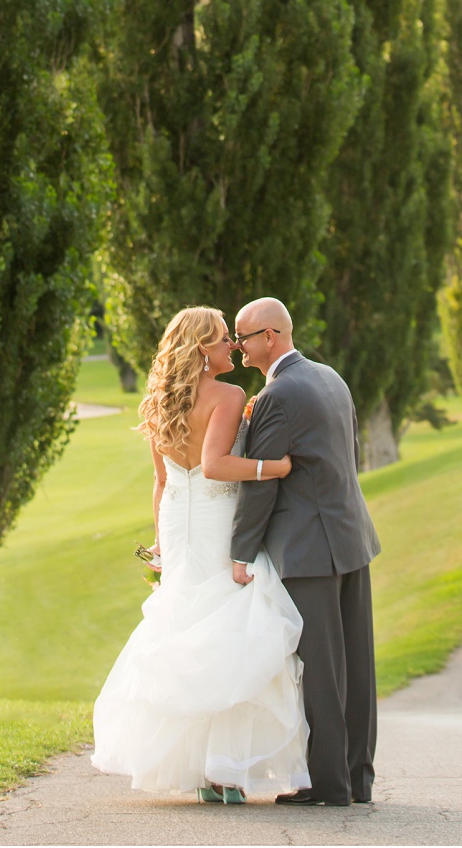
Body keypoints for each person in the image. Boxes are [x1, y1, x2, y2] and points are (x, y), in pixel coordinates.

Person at [91, 306, 310, 803]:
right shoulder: (230, 395)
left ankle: (198, 772)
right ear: (201, 351)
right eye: (220, 340)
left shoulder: (160, 401)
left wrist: (162, 543)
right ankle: (225, 771)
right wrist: (275, 468)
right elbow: (216, 466)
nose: (231, 346)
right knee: (228, 631)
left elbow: (163, 480)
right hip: (215, 522)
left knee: (185, 626)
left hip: (177, 521)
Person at [231, 296, 381, 807]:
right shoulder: (329, 377)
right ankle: (357, 779)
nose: (238, 345)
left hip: (308, 548)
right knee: (356, 666)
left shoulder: (278, 395)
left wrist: (240, 552)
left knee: (320, 668)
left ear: (269, 337)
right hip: (349, 535)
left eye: (243, 337)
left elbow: (264, 483)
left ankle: (331, 785)